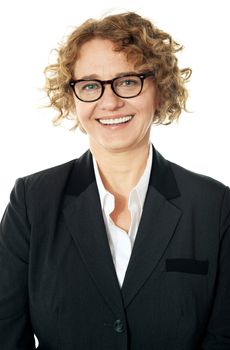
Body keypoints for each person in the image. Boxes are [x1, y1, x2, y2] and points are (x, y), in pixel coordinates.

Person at [0, 11, 229, 350]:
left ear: (161, 90)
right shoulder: (32, 201)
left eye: (127, 81)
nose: (110, 101)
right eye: (91, 85)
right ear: (72, 98)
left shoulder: (215, 205)